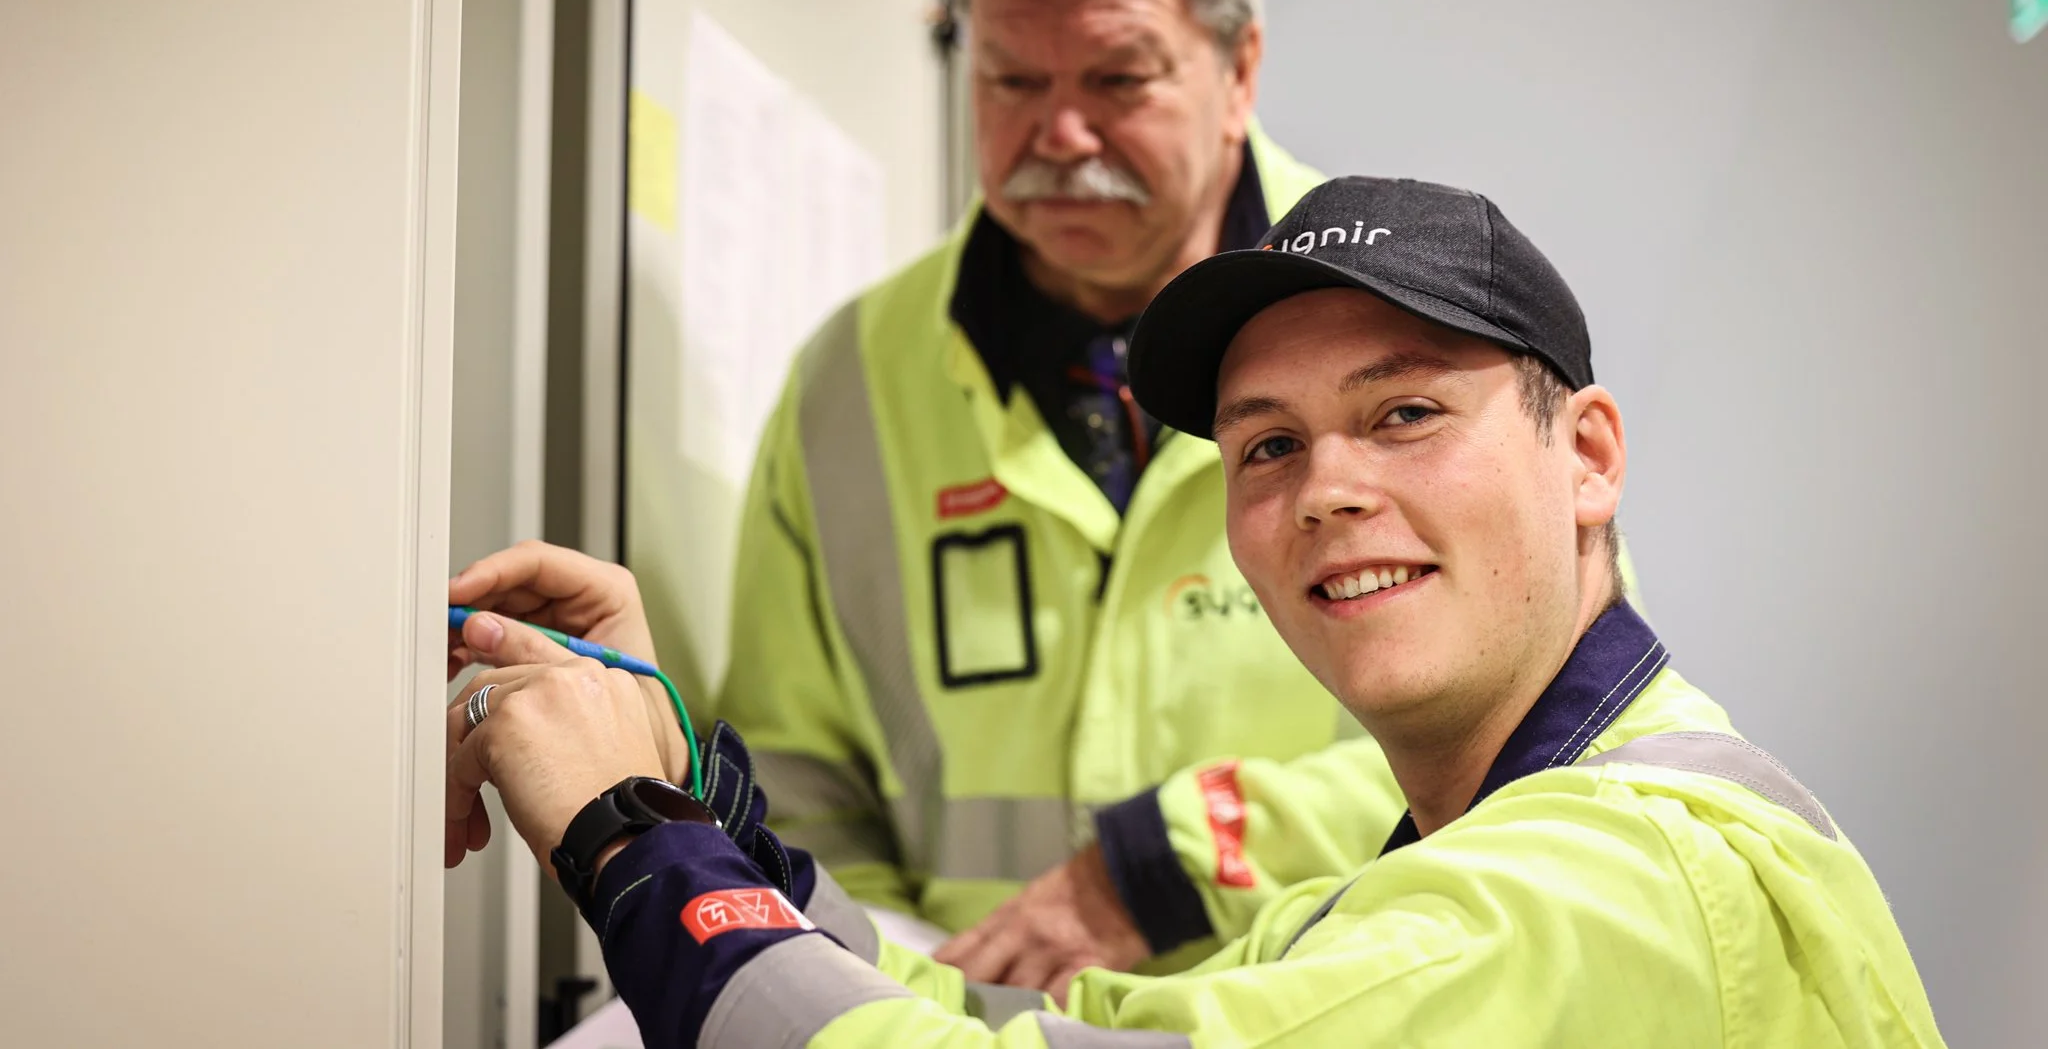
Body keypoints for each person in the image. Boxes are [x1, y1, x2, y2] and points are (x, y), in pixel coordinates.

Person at [446, 175, 1944, 1047]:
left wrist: (629, 842)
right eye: (1266, 445)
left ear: (1589, 458)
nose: (1327, 489)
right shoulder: (1428, 883)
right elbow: (1030, 1029)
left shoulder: (1595, 889)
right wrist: (687, 795)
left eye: (1405, 413)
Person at [707, 0, 1405, 967]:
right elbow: (791, 772)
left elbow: (1539, 725)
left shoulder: (1413, 324)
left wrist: (1167, 869)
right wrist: (878, 991)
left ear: (1238, 70)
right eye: (1011, 79)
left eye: (1118, 79)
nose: (1060, 135)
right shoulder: (849, 382)